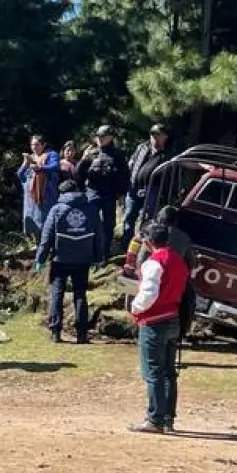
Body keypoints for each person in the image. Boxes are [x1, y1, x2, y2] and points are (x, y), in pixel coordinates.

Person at [128, 224, 189, 434]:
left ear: (148, 242)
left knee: (153, 372)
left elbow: (149, 295)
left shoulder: (154, 263)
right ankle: (168, 419)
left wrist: (134, 307)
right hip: (173, 318)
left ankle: (154, 418)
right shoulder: (178, 260)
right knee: (168, 373)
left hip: (154, 322)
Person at [35, 180, 102, 344]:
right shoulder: (91, 209)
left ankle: (56, 332)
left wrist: (40, 259)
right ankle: (82, 334)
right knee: (80, 295)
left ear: (62, 193)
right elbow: (99, 235)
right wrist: (98, 257)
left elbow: (46, 237)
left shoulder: (57, 209)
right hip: (83, 259)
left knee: (57, 294)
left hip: (60, 259)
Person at [84, 125, 130, 261]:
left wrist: (122, 193)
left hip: (110, 193)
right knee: (90, 222)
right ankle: (89, 253)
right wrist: (83, 160)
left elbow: (124, 175)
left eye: (103, 137)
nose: (99, 139)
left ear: (110, 138)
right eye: (98, 136)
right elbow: (80, 173)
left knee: (108, 224)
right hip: (93, 192)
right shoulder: (90, 152)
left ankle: (104, 254)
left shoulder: (118, 154)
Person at [123, 124, 172, 248]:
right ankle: (126, 245)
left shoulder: (167, 155)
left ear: (165, 137)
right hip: (133, 188)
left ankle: (142, 246)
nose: (154, 138)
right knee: (129, 217)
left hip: (152, 191)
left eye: (158, 135)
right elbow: (132, 163)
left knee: (147, 220)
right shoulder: (142, 148)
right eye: (153, 135)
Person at [18, 135, 60, 241]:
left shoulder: (51, 154)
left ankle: (50, 245)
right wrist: (25, 164)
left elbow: (55, 166)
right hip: (31, 197)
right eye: (32, 144)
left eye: (36, 144)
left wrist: (40, 167)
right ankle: (34, 244)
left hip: (47, 195)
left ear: (43, 145)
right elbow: (20, 175)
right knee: (32, 220)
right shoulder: (30, 157)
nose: (34, 147)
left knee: (47, 221)